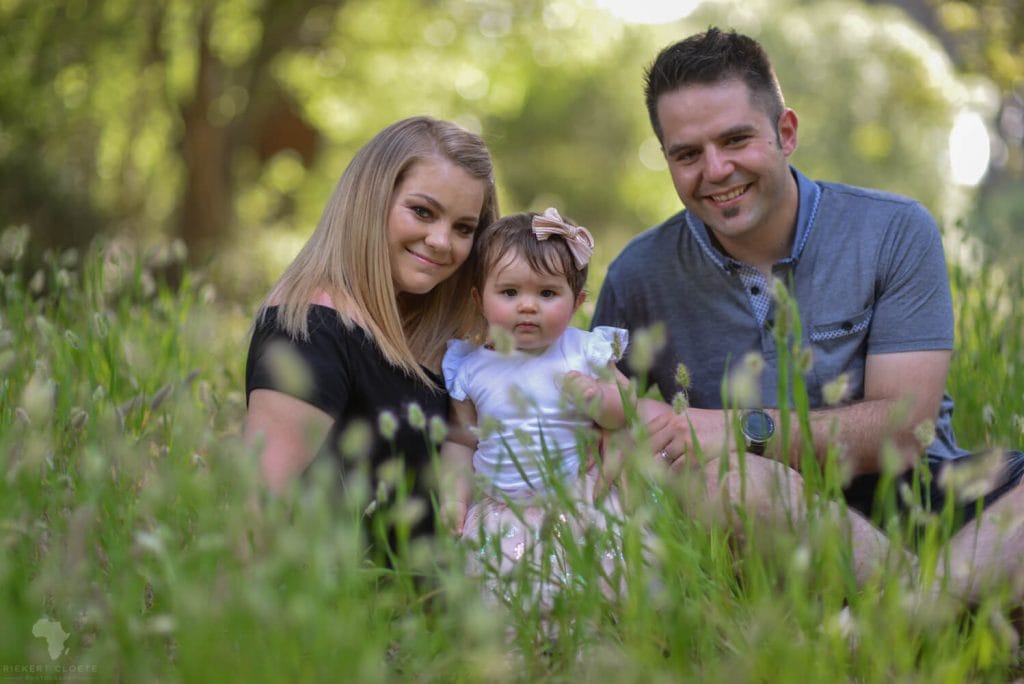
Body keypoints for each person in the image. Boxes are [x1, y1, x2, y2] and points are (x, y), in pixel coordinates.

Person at [591, 28, 1024, 601]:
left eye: (735, 140)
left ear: (785, 132)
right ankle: (943, 611)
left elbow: (904, 433)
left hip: (923, 500)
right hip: (766, 522)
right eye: (687, 154)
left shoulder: (894, 230)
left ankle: (905, 616)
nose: (716, 170)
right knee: (731, 487)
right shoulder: (636, 275)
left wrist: (733, 427)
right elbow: (606, 442)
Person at [244, 116, 499, 541]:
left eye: (463, 228)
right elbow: (255, 515)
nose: (441, 241)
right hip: (346, 603)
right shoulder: (311, 329)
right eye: (422, 211)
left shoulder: (432, 335)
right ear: (370, 201)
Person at [439, 208, 632, 604]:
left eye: (547, 293)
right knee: (506, 591)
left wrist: (599, 399)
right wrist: (453, 494)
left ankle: (593, 644)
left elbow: (625, 408)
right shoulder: (472, 366)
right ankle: (518, 653)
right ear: (480, 299)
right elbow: (461, 439)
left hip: (577, 498)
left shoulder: (584, 352)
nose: (528, 306)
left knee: (601, 580)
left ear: (577, 301)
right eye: (509, 293)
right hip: (502, 508)